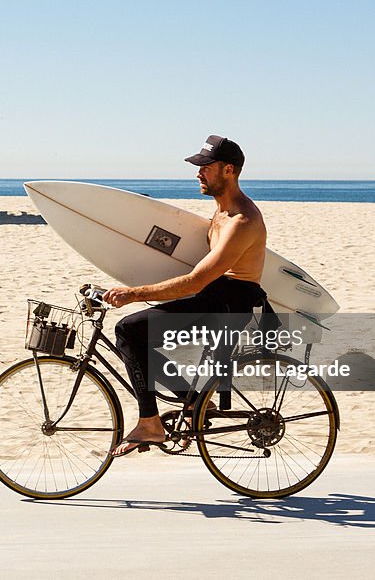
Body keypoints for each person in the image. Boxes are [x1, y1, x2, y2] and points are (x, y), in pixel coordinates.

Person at [102, 135, 268, 457]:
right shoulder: (220, 214)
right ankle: (192, 403)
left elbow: (195, 282)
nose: (198, 173)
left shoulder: (242, 221)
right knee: (140, 339)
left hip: (228, 306)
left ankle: (150, 424)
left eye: (206, 167)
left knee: (129, 330)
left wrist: (134, 293)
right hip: (216, 297)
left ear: (229, 170)